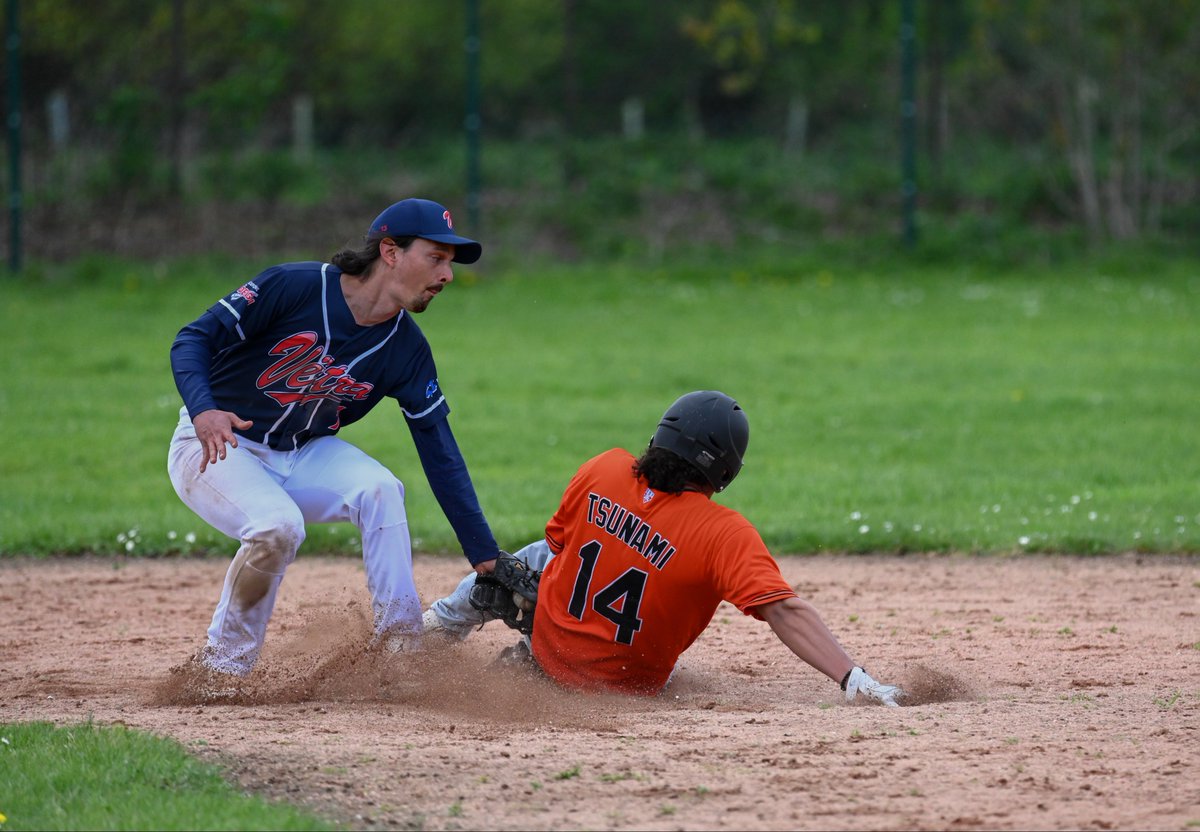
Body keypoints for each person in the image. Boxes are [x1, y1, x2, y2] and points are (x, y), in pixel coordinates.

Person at [167, 198, 502, 689]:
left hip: (302, 452)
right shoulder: (294, 286)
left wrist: (484, 555)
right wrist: (202, 408)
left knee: (380, 489)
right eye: (436, 257)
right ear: (390, 251)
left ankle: (400, 654)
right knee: (277, 528)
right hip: (217, 444)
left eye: (450, 262)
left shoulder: (406, 349)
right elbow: (192, 339)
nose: (447, 274)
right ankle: (221, 670)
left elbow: (440, 450)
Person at [424, 391, 904, 705]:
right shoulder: (724, 534)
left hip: (551, 640)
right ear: (725, 472)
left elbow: (559, 544)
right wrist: (851, 678)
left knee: (525, 561)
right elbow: (784, 611)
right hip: (623, 688)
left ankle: (431, 629)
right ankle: (522, 645)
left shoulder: (603, 468)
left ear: (660, 437)